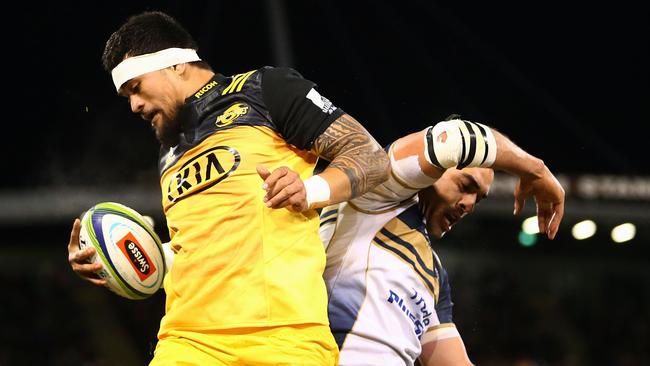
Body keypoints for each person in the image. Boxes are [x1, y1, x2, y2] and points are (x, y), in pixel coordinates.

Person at [67, 10, 390, 365]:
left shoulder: (265, 90)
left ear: (176, 64)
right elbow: (197, 249)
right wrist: (119, 257)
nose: (134, 105)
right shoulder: (168, 152)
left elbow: (371, 156)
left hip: (284, 338)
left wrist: (309, 191)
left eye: (136, 87)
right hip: (186, 342)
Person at [319, 118, 565, 365]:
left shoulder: (435, 273)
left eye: (477, 199)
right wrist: (536, 170)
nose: (469, 204)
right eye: (465, 185)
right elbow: (453, 138)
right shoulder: (375, 191)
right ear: (434, 170)